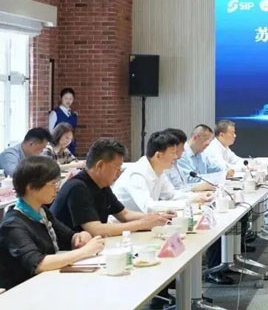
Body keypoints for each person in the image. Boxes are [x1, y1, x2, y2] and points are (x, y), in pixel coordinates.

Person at [0, 156, 104, 290]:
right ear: (31, 187)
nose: (57, 188)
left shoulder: (41, 211)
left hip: (46, 283)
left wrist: (80, 237)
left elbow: (69, 237)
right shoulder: (13, 225)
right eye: (53, 184)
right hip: (22, 290)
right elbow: (39, 264)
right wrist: (85, 251)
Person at [50, 139, 169, 236]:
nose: (119, 173)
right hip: (66, 251)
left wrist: (157, 217)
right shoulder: (77, 187)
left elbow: (125, 214)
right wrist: (142, 224)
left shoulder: (102, 185)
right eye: (117, 168)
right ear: (100, 165)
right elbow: (96, 230)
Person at [112, 131, 213, 213]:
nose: (175, 157)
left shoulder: (159, 169)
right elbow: (149, 207)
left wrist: (196, 197)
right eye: (172, 153)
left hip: (143, 222)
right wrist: (187, 202)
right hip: (123, 228)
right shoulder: (137, 174)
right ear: (158, 155)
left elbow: (171, 195)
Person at [174, 125, 233, 189]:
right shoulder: (181, 154)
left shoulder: (202, 153)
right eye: (206, 139)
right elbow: (188, 179)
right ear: (195, 138)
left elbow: (214, 167)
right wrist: (218, 177)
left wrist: (225, 171)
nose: (208, 143)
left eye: (210, 140)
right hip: (192, 191)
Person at [165, 127, 219, 192]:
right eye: (182, 147)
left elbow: (182, 186)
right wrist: (194, 189)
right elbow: (171, 193)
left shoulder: (174, 163)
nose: (184, 149)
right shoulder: (165, 167)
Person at [48, 87, 78, 154]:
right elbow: (51, 132)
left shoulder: (74, 115)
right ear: (61, 98)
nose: (68, 101)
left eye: (71, 99)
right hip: (58, 146)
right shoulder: (55, 113)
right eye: (66, 98)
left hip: (70, 146)